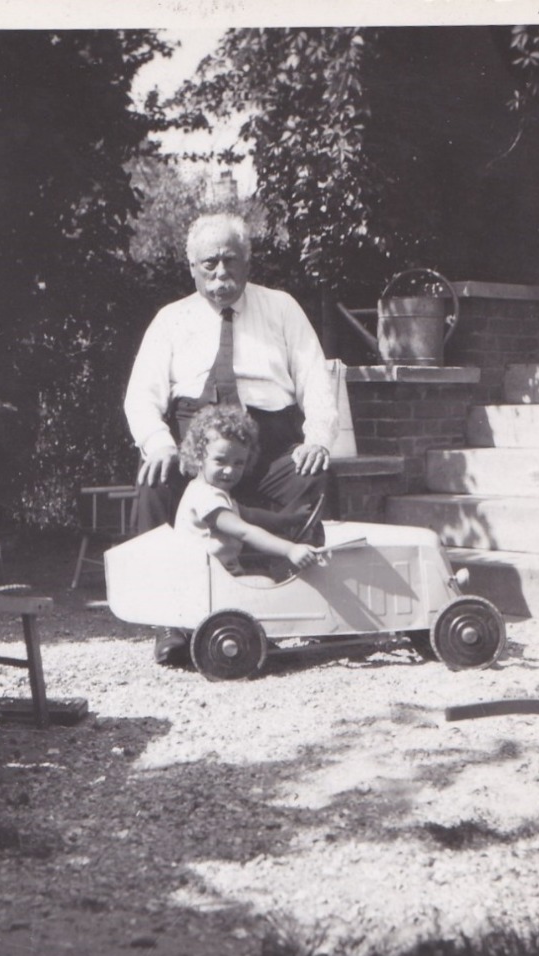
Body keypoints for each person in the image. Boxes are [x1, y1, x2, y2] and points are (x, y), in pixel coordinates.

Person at [124, 211, 339, 663]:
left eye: (230, 260)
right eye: (209, 264)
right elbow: (140, 395)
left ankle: (290, 604)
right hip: (195, 447)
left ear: (248, 261)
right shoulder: (171, 319)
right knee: (154, 480)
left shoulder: (281, 307)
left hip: (269, 440)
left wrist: (317, 438)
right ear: (192, 268)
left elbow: (316, 381)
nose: (221, 273)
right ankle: (171, 621)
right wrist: (158, 444)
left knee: (311, 477)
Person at [175, 404, 321, 578]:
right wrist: (290, 549)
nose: (229, 470)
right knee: (267, 584)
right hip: (206, 581)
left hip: (219, 577)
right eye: (220, 461)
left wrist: (288, 520)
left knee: (264, 577)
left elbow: (249, 514)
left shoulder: (211, 492)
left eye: (238, 463)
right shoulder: (205, 497)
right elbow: (244, 531)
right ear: (199, 457)